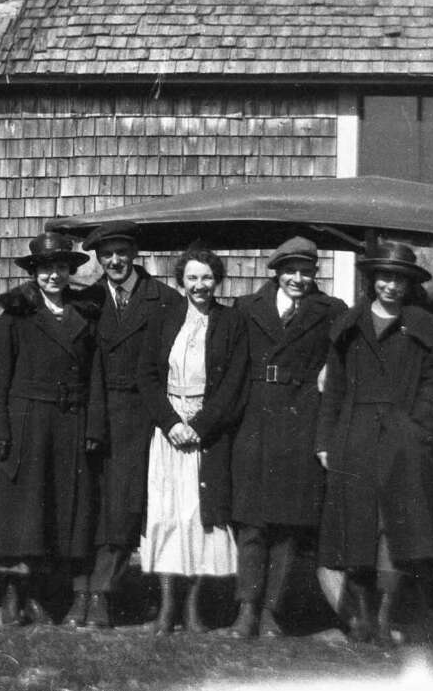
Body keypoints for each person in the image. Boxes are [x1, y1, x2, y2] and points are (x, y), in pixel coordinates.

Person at [314, 241, 433, 646]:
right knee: (356, 530)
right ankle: (358, 617)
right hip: (354, 438)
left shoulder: (423, 328)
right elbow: (335, 388)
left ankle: (385, 617)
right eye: (384, 277)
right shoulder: (349, 326)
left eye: (399, 278)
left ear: (409, 284)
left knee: (395, 532)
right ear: (372, 280)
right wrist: (326, 441)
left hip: (403, 444)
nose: (390, 286)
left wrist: (416, 431)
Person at [0, 231, 106, 626]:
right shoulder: (17, 315)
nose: (53, 276)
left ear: (69, 272)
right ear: (35, 273)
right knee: (21, 517)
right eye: (46, 269)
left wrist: (93, 426)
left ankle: (39, 597)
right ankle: (14, 595)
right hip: (26, 425)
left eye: (60, 268)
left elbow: (95, 376)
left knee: (52, 516)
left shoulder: (84, 315)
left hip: (68, 425)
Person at [65, 221, 182, 629]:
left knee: (122, 508)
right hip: (90, 410)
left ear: (134, 254)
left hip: (138, 414)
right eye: (106, 255)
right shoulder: (85, 300)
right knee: (86, 505)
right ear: (98, 259)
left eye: (121, 253)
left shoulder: (164, 300)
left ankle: (102, 594)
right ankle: (79, 592)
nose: (114, 261)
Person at [228, 236, 347, 638]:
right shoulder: (247, 308)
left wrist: (331, 374)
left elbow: (344, 358)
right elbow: (231, 367)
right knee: (252, 523)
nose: (298, 279)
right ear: (276, 271)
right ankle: (247, 609)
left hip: (301, 422)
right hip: (254, 421)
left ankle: (272, 612)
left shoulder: (331, 311)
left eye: (307, 271)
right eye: (291, 271)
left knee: (288, 525)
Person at [137, 244, 248, 634]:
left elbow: (234, 383)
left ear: (217, 281)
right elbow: (147, 376)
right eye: (192, 278)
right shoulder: (164, 318)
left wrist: (200, 425)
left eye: (206, 278)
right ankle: (167, 608)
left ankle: (194, 608)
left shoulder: (231, 322)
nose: (200, 285)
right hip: (169, 431)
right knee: (167, 514)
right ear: (181, 281)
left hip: (207, 435)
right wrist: (171, 423)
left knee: (201, 517)